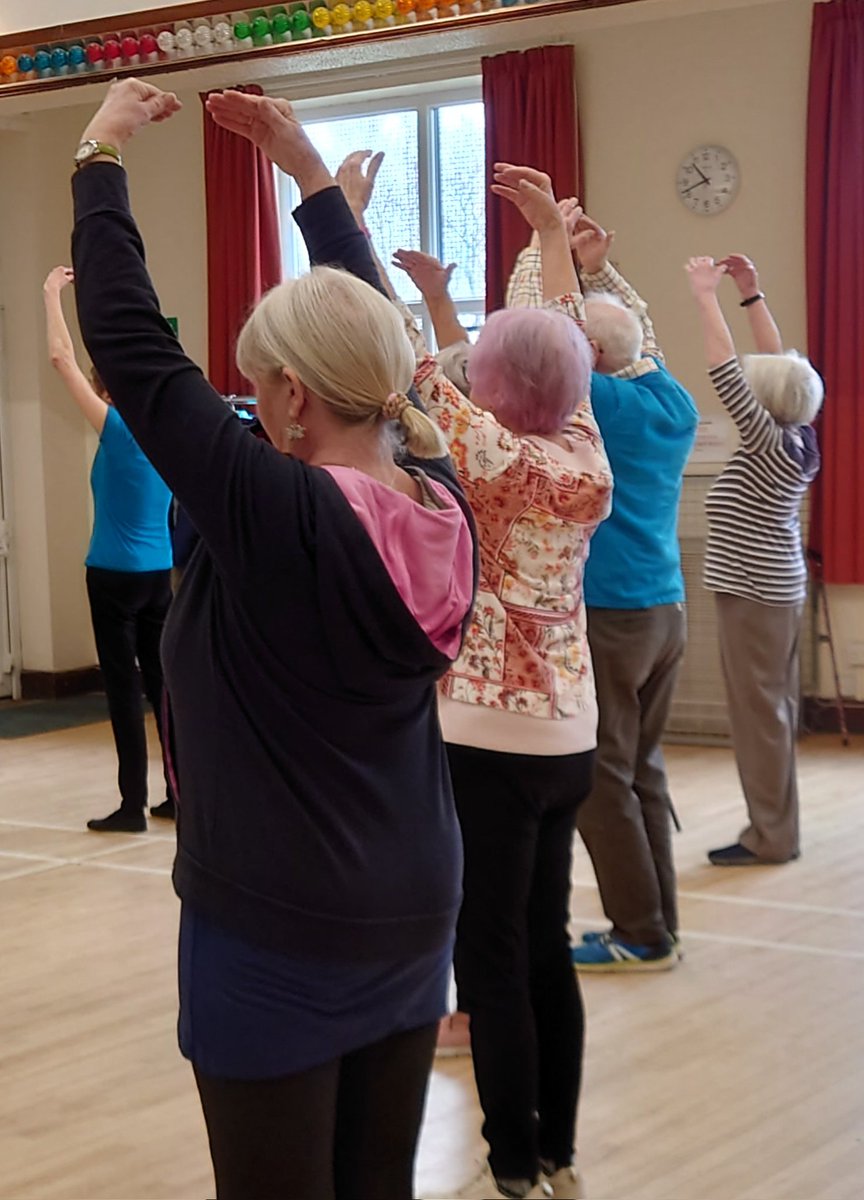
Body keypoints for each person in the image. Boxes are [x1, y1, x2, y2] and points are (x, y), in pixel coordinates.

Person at [69, 79, 477, 1200]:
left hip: (278, 924)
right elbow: (379, 354)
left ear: (293, 397)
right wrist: (308, 178)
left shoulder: (279, 517)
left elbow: (131, 347)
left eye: (256, 389)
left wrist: (100, 157)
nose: (245, 407)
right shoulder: (442, 500)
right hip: (412, 903)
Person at [391, 167, 612, 1200]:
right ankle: (556, 1151)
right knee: (544, 945)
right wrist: (547, 238)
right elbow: (565, 345)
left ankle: (513, 1162)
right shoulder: (585, 459)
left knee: (490, 958)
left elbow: (406, 359)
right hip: (570, 739)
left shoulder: (479, 452)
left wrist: (332, 200)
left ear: (488, 388)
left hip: (485, 740)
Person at [506, 211, 699, 970]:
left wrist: (545, 243)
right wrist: (594, 271)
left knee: (602, 778)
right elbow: (636, 340)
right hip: (666, 610)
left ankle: (641, 932)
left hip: (614, 615)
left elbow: (546, 333)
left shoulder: (599, 406)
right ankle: (657, 923)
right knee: (642, 771)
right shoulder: (673, 401)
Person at [686, 255, 822, 866]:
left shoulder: (767, 442)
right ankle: (777, 829)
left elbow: (726, 368)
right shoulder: (799, 437)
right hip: (775, 591)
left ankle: (771, 836)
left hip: (754, 595)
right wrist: (752, 295)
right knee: (773, 712)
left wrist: (705, 296)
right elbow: (783, 368)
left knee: (759, 717)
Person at [43, 265, 175, 832]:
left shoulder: (118, 428)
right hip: (159, 574)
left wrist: (51, 294)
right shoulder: (168, 434)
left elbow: (61, 359)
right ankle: (179, 795)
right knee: (164, 688)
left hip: (113, 577)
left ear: (106, 392)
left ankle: (131, 805)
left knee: (123, 690)